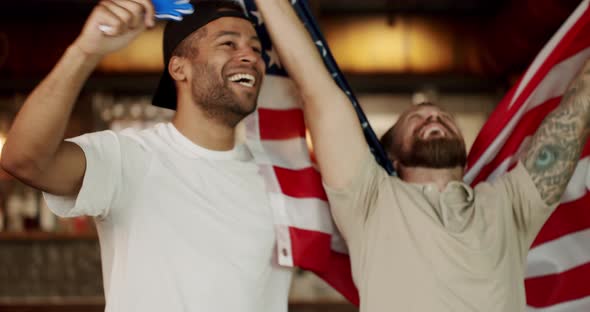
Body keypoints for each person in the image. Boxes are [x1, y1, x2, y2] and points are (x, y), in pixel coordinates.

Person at [255, 0, 590, 311]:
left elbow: (571, 119)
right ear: (393, 157)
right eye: (415, 118)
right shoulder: (370, 199)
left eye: (443, 117)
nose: (433, 117)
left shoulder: (510, 204)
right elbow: (317, 89)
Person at [1, 0, 293, 311]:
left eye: (256, 49)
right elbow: (24, 161)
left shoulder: (279, 177)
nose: (250, 56)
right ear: (179, 68)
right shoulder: (130, 158)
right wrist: (86, 52)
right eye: (228, 43)